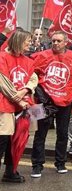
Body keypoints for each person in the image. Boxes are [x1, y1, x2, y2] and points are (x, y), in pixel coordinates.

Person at [30, 30, 72, 178]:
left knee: (63, 133)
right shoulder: (42, 55)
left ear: (66, 42)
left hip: (65, 101)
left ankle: (60, 163)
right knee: (40, 133)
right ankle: (37, 165)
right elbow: (31, 74)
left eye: (59, 41)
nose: (55, 43)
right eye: (53, 41)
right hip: (43, 101)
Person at [0, 29, 36, 183]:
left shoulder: (27, 60)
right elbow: (4, 83)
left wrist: (25, 90)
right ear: (19, 41)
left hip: (22, 106)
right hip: (5, 105)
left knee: (17, 141)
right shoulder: (2, 57)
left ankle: (10, 171)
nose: (30, 44)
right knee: (2, 140)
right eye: (27, 42)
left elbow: (33, 78)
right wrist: (19, 99)